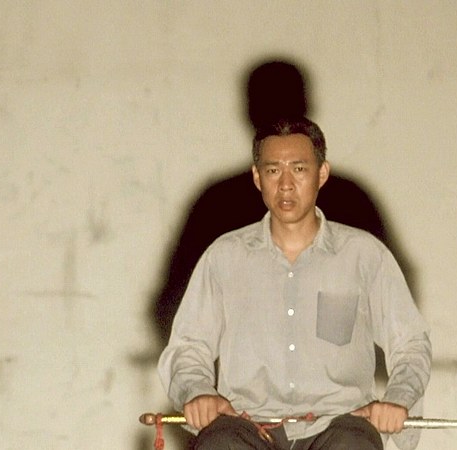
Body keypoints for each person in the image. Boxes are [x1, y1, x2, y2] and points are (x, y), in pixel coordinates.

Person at [158, 117, 431, 449]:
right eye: (273, 170)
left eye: (299, 169)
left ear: (322, 173)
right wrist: (198, 391)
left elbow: (411, 344)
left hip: (339, 425)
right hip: (247, 425)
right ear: (257, 177)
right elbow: (188, 347)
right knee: (220, 443)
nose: (285, 185)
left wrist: (398, 398)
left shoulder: (364, 255)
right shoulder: (225, 257)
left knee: (352, 445)